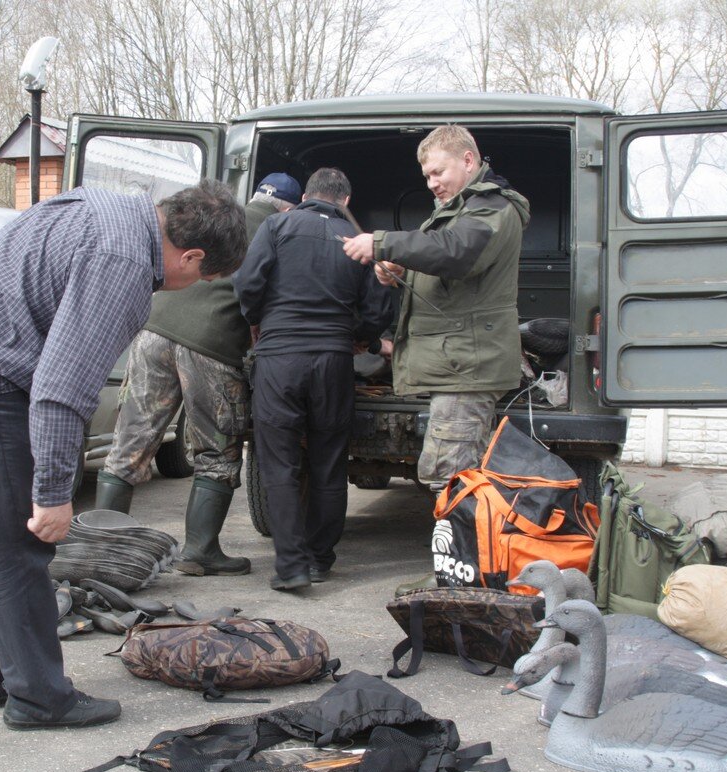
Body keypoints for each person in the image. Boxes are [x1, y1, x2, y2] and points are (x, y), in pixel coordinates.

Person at [0, 180, 247, 728]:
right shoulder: (122, 264)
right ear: (190, 255)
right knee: (18, 548)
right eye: (201, 276)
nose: (190, 285)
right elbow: (62, 387)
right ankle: (38, 698)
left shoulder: (110, 203)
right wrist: (52, 495)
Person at [95, 172, 302, 577]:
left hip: (153, 330)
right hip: (211, 343)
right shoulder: (281, 228)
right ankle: (200, 551)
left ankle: (101, 548)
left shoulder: (220, 219)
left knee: (131, 443)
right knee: (217, 449)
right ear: (289, 207)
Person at [343, 125, 530, 492]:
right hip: (456, 365)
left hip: (467, 369)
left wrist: (383, 244)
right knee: (453, 479)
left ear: (467, 159)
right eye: (427, 176)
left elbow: (456, 252)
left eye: (438, 172)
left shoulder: (492, 206)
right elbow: (444, 261)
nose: (431, 183)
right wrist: (399, 270)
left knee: (450, 480)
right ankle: (461, 548)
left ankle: (463, 550)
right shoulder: (459, 209)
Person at [233, 168, 394, 591]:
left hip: (279, 358)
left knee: (280, 463)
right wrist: (359, 338)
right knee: (328, 462)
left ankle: (291, 568)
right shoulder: (359, 241)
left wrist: (259, 321)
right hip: (334, 362)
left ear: (306, 195)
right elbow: (378, 310)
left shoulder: (277, 224)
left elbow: (248, 284)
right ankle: (322, 559)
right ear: (346, 200)